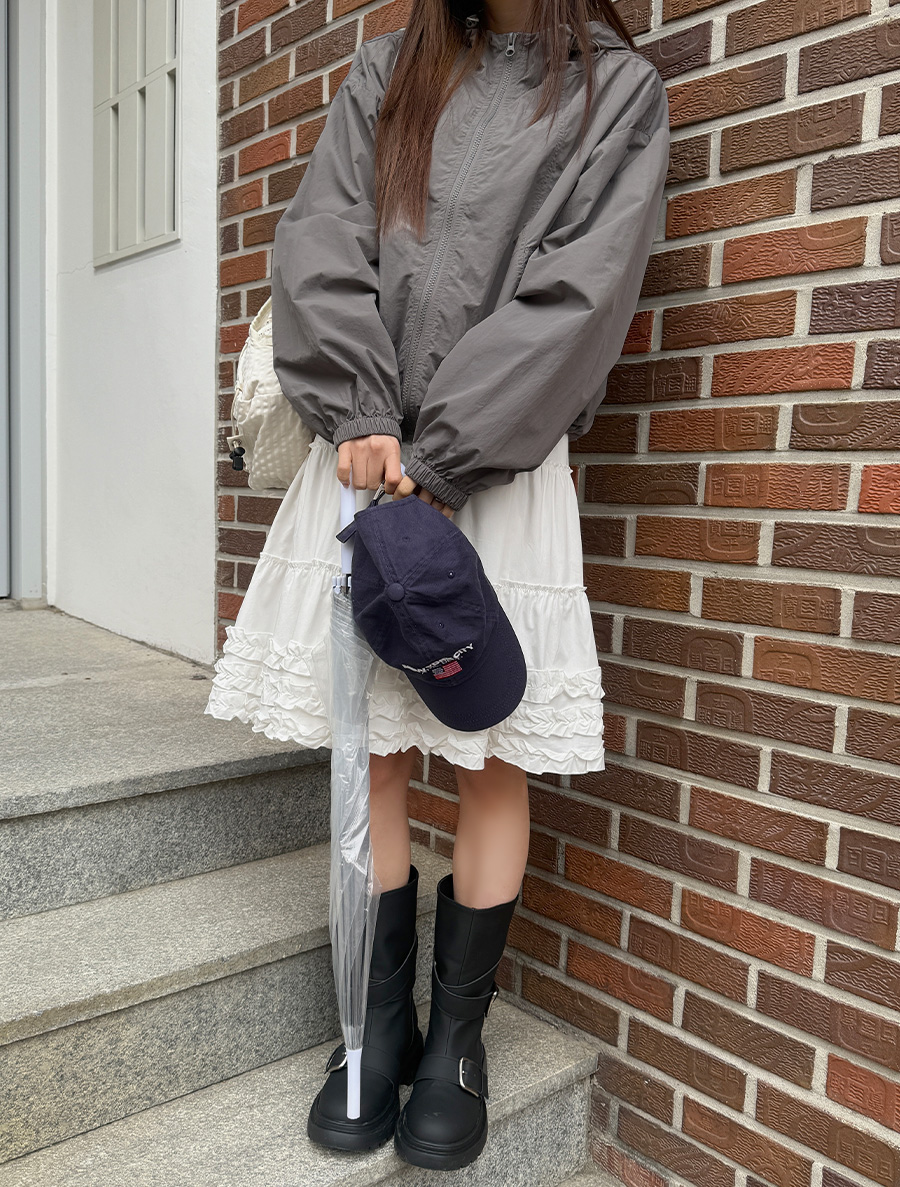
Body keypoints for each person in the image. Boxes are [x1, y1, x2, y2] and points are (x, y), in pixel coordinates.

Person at [205, 0, 669, 1171]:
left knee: (488, 747)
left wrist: (450, 456)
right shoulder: (386, 72)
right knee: (370, 750)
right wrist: (365, 413)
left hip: (497, 466)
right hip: (361, 459)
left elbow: (581, 293)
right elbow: (322, 239)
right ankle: (373, 1030)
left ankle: (456, 1042)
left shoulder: (616, 93)